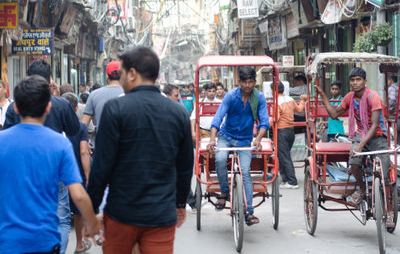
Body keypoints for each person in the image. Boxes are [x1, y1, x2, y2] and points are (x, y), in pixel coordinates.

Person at [88, 46, 193, 254]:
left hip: (121, 214)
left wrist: (92, 212)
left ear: (133, 73)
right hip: (161, 216)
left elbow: (101, 167)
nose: (123, 79)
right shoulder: (178, 113)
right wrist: (180, 203)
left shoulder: (115, 109)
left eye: (123, 73)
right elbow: (184, 166)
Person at [0, 75, 99, 254]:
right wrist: (91, 222)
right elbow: (78, 195)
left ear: (15, 107)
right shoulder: (60, 145)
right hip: (44, 241)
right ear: (48, 107)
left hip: (7, 242)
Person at [315, 67, 390, 208]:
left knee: (385, 175)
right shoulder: (349, 97)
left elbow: (374, 126)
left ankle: (389, 207)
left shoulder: (373, 97)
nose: (355, 83)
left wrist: (360, 145)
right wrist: (323, 96)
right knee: (354, 164)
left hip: (377, 136)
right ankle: (362, 188)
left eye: (358, 80)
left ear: (365, 81)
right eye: (352, 80)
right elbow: (334, 114)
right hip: (360, 134)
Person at [207, 67, 270, 226]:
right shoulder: (230, 96)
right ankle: (224, 192)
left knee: (246, 172)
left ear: (255, 82)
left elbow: (264, 123)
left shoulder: (259, 97)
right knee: (220, 160)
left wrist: (258, 139)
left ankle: (249, 212)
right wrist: (212, 139)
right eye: (245, 82)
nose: (248, 85)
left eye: (251, 82)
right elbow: (218, 118)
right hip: (226, 136)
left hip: (245, 139)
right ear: (239, 82)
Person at [62, 92, 93, 254]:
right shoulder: (80, 127)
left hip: (58, 174)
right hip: (76, 174)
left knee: (59, 212)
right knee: (78, 212)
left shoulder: (54, 125)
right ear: (76, 108)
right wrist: (88, 176)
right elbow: (84, 153)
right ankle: (79, 243)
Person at [270, 82, 306, 189]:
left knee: (284, 157)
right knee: (282, 155)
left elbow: (276, 118)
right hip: (291, 131)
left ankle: (292, 181)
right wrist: (303, 100)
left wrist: (267, 123)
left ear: (273, 91)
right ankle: (285, 179)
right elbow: (300, 110)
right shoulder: (290, 99)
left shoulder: (277, 102)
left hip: (281, 132)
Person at [81, 61, 124, 130]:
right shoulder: (131, 94)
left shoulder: (94, 94)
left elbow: (83, 124)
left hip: (102, 139)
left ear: (107, 76)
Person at [387, 75, 400, 145]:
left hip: (394, 119)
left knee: (392, 144)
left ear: (391, 80)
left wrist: (388, 111)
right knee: (399, 145)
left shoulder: (391, 89)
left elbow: (392, 101)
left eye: (387, 80)